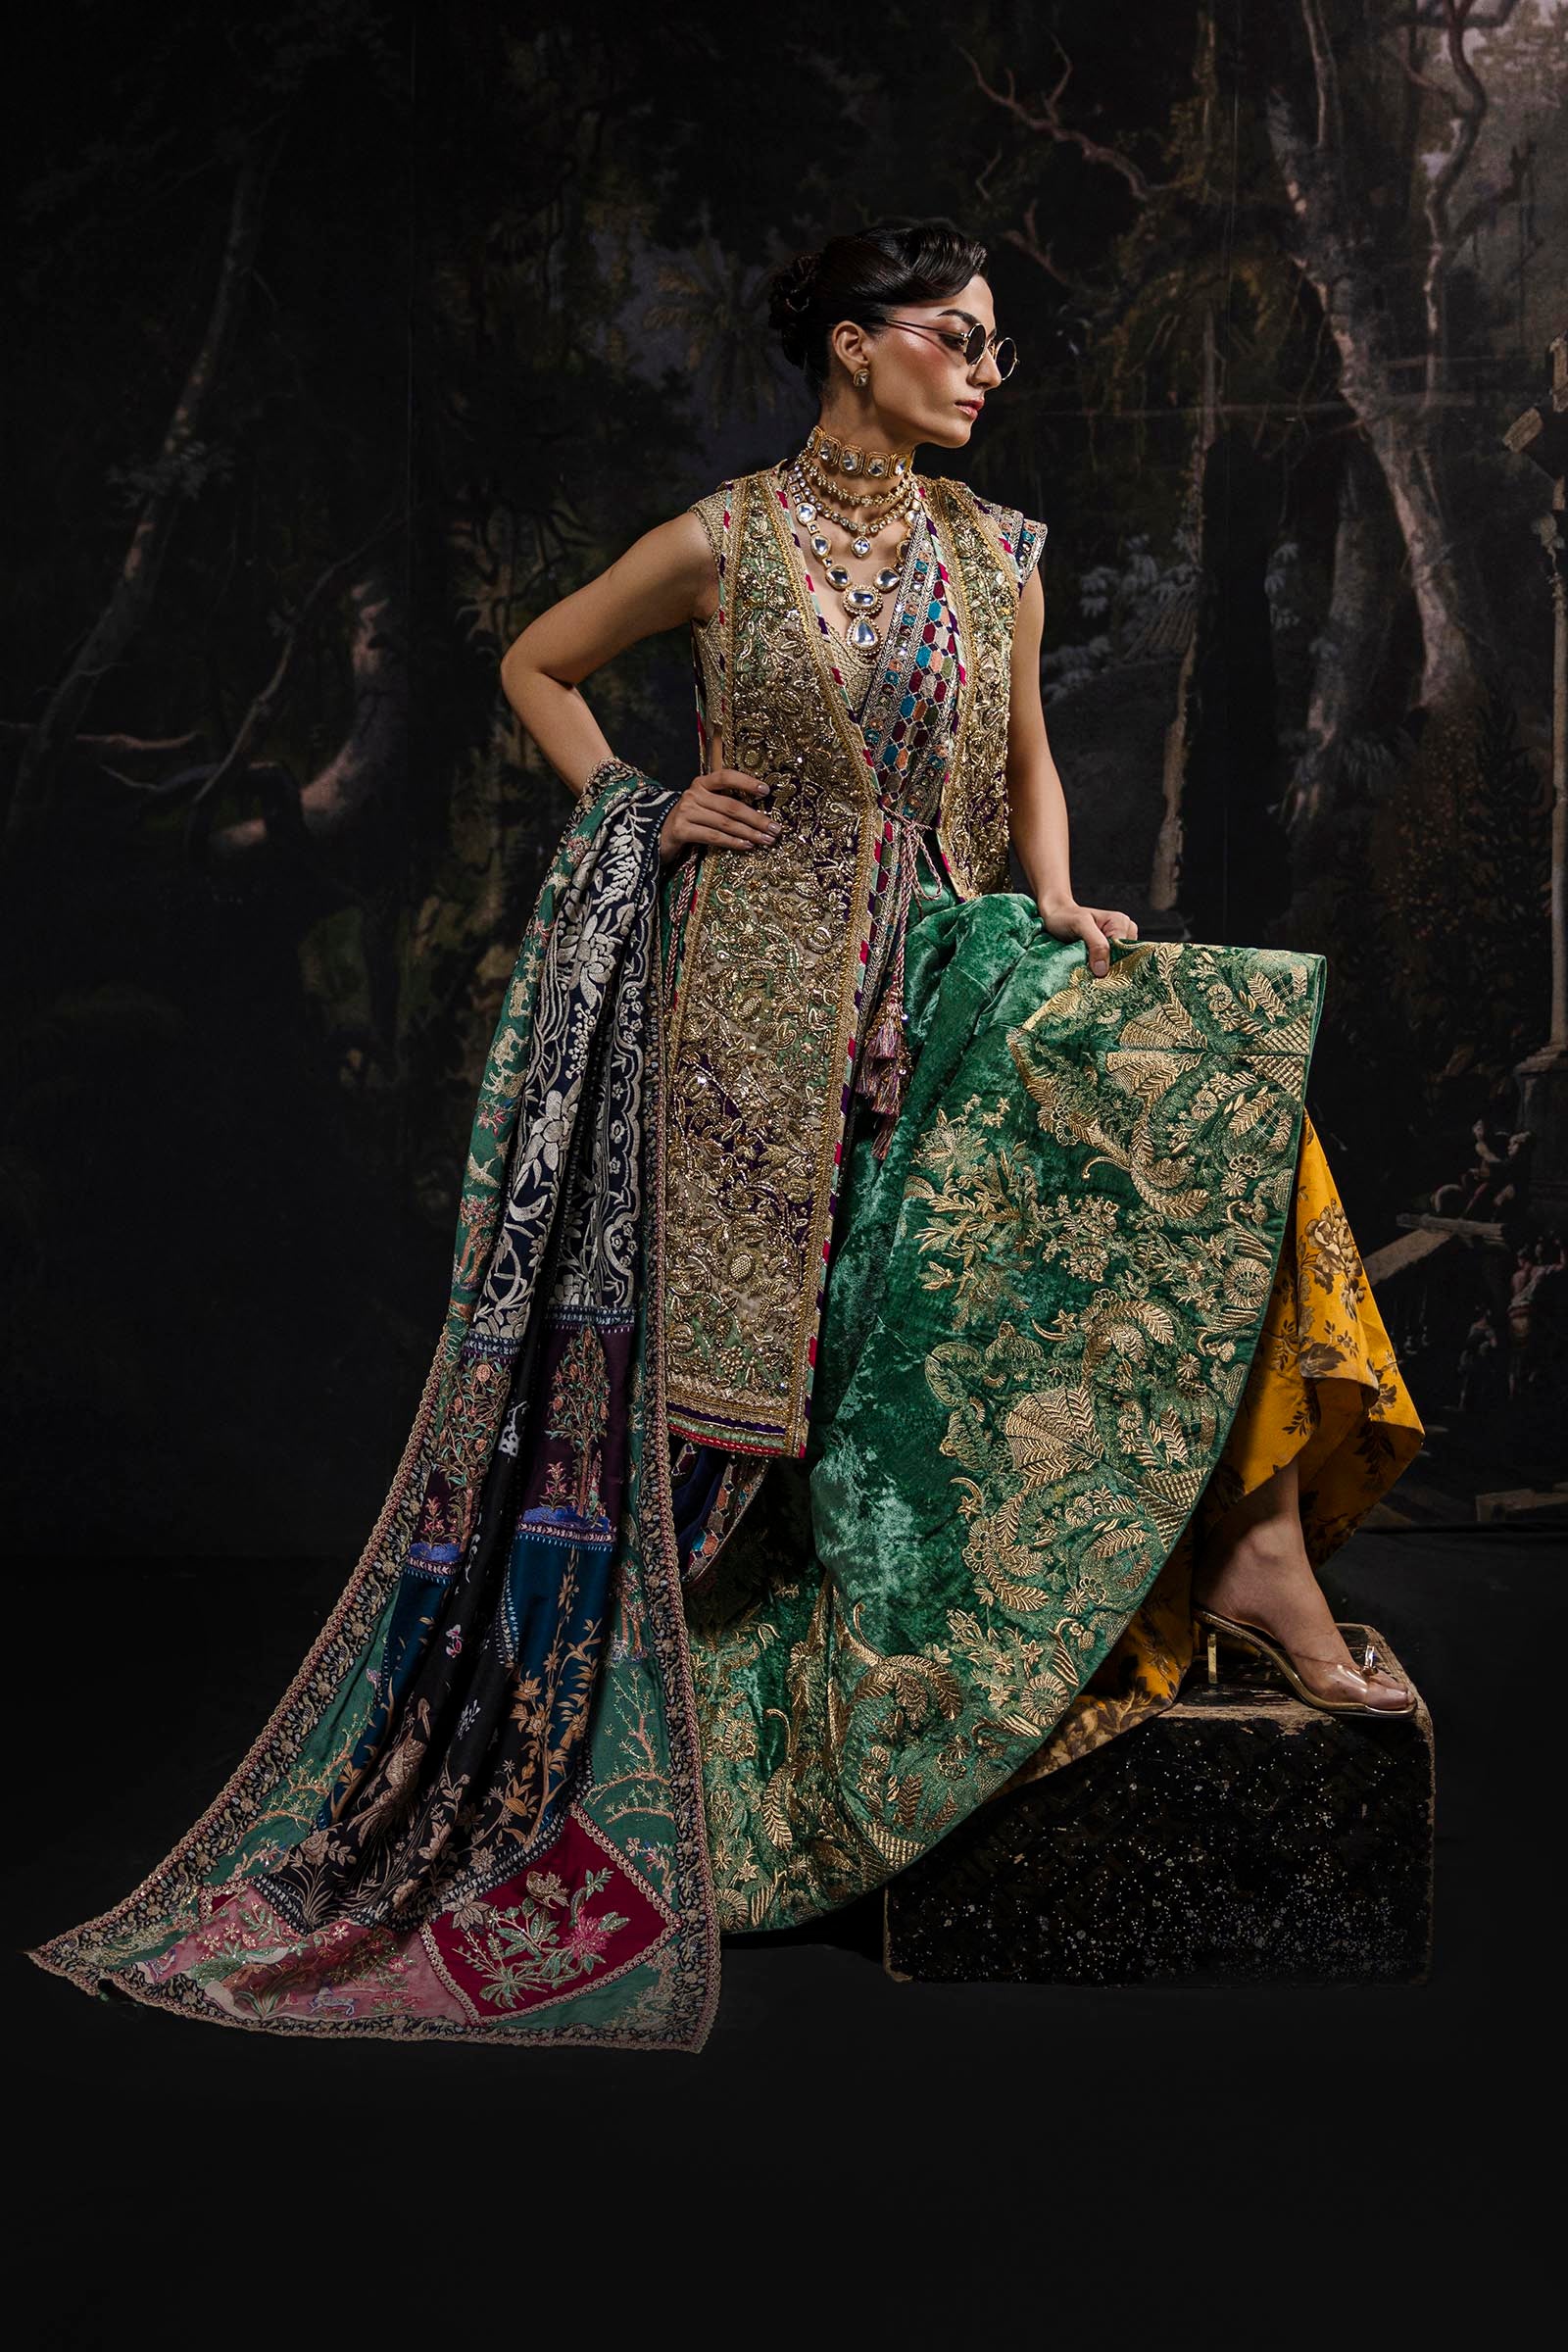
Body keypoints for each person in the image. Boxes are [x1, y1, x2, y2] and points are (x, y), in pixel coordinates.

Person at [27, 218, 1425, 2052]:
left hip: (950, 956)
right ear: (853, 343)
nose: (985, 371)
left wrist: (1062, 901)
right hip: (753, 998)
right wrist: (636, 805)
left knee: (1219, 1069)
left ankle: (1254, 1541)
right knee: (820, 1329)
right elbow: (536, 664)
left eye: (994, 344)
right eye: (955, 337)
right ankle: (791, 1637)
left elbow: (1026, 763)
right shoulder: (725, 541)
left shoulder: (998, 552)